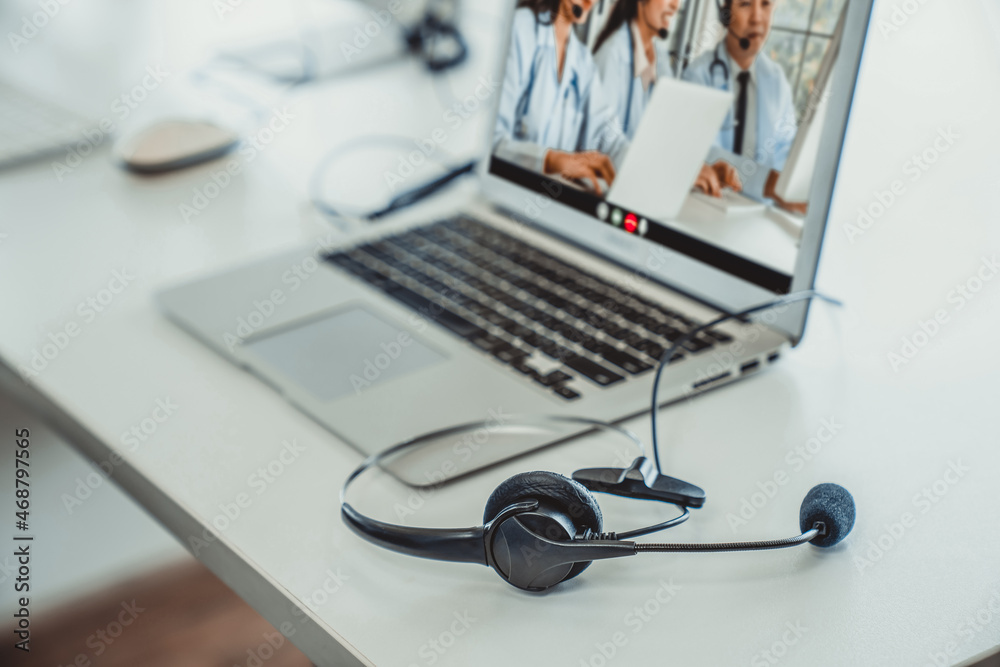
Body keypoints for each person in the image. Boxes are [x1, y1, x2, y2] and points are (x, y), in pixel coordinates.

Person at [592, 0, 741, 197]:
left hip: (646, 193)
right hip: (609, 194)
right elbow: (606, 146)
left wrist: (702, 168)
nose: (675, 6)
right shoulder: (612, 55)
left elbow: (669, 140)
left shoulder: (660, 59)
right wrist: (677, 173)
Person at [493, 0, 628, 195]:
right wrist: (550, 160)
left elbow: (610, 138)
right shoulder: (521, 29)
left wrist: (651, 168)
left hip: (548, 202)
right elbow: (491, 142)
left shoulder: (583, 61)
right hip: (501, 195)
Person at [682, 0, 805, 213]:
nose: (757, 17)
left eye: (765, 4)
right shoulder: (698, 76)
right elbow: (702, 153)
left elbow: (785, 152)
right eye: (746, 4)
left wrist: (793, 186)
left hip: (757, 216)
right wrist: (766, 183)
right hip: (704, 208)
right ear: (726, 13)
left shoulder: (776, 81)